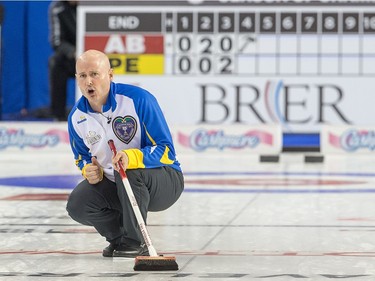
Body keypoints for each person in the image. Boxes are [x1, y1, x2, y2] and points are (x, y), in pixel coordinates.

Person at [66, 49, 184, 258]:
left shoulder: (138, 100)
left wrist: (133, 157)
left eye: (95, 74)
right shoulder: (77, 117)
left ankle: (135, 241)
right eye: (82, 76)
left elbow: (166, 150)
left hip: (163, 179)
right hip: (116, 184)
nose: (88, 82)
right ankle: (119, 238)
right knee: (78, 203)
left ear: (110, 75)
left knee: (129, 169)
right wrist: (88, 170)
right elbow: (81, 157)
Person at [48, 0, 78, 121]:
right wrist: (74, 52)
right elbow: (57, 42)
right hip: (73, 56)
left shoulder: (94, 4)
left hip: (96, 53)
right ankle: (58, 116)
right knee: (56, 63)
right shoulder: (57, 8)